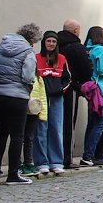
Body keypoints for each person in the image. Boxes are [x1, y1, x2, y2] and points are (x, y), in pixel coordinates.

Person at [0, 24, 41, 184]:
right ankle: (13, 174)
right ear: (31, 40)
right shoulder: (28, 52)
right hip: (17, 96)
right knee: (17, 135)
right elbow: (28, 76)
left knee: (2, 132)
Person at [34, 30, 69, 175]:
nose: (51, 44)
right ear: (44, 42)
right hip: (41, 99)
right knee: (40, 129)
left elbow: (68, 79)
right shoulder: (36, 58)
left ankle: (56, 162)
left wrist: (60, 90)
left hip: (56, 99)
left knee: (56, 129)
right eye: (49, 41)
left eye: (54, 41)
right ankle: (41, 162)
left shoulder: (61, 58)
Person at [57, 19, 91, 169]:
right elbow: (86, 68)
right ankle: (66, 158)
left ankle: (54, 157)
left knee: (55, 123)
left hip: (53, 88)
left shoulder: (55, 44)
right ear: (76, 31)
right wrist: (82, 84)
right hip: (71, 87)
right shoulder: (77, 47)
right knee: (68, 123)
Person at [79, 26, 103, 167]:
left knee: (92, 123)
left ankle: (87, 155)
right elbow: (102, 70)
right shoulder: (100, 49)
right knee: (100, 123)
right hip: (101, 90)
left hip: (91, 89)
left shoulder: (87, 49)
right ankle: (89, 155)